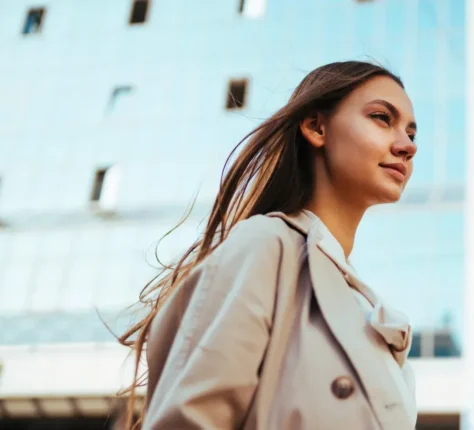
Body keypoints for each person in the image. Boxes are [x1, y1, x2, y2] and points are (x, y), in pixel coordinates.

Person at [118, 61, 419, 429]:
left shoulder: (363, 302)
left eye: (412, 133)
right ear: (316, 126)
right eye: (381, 118)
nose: (406, 146)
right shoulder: (266, 245)